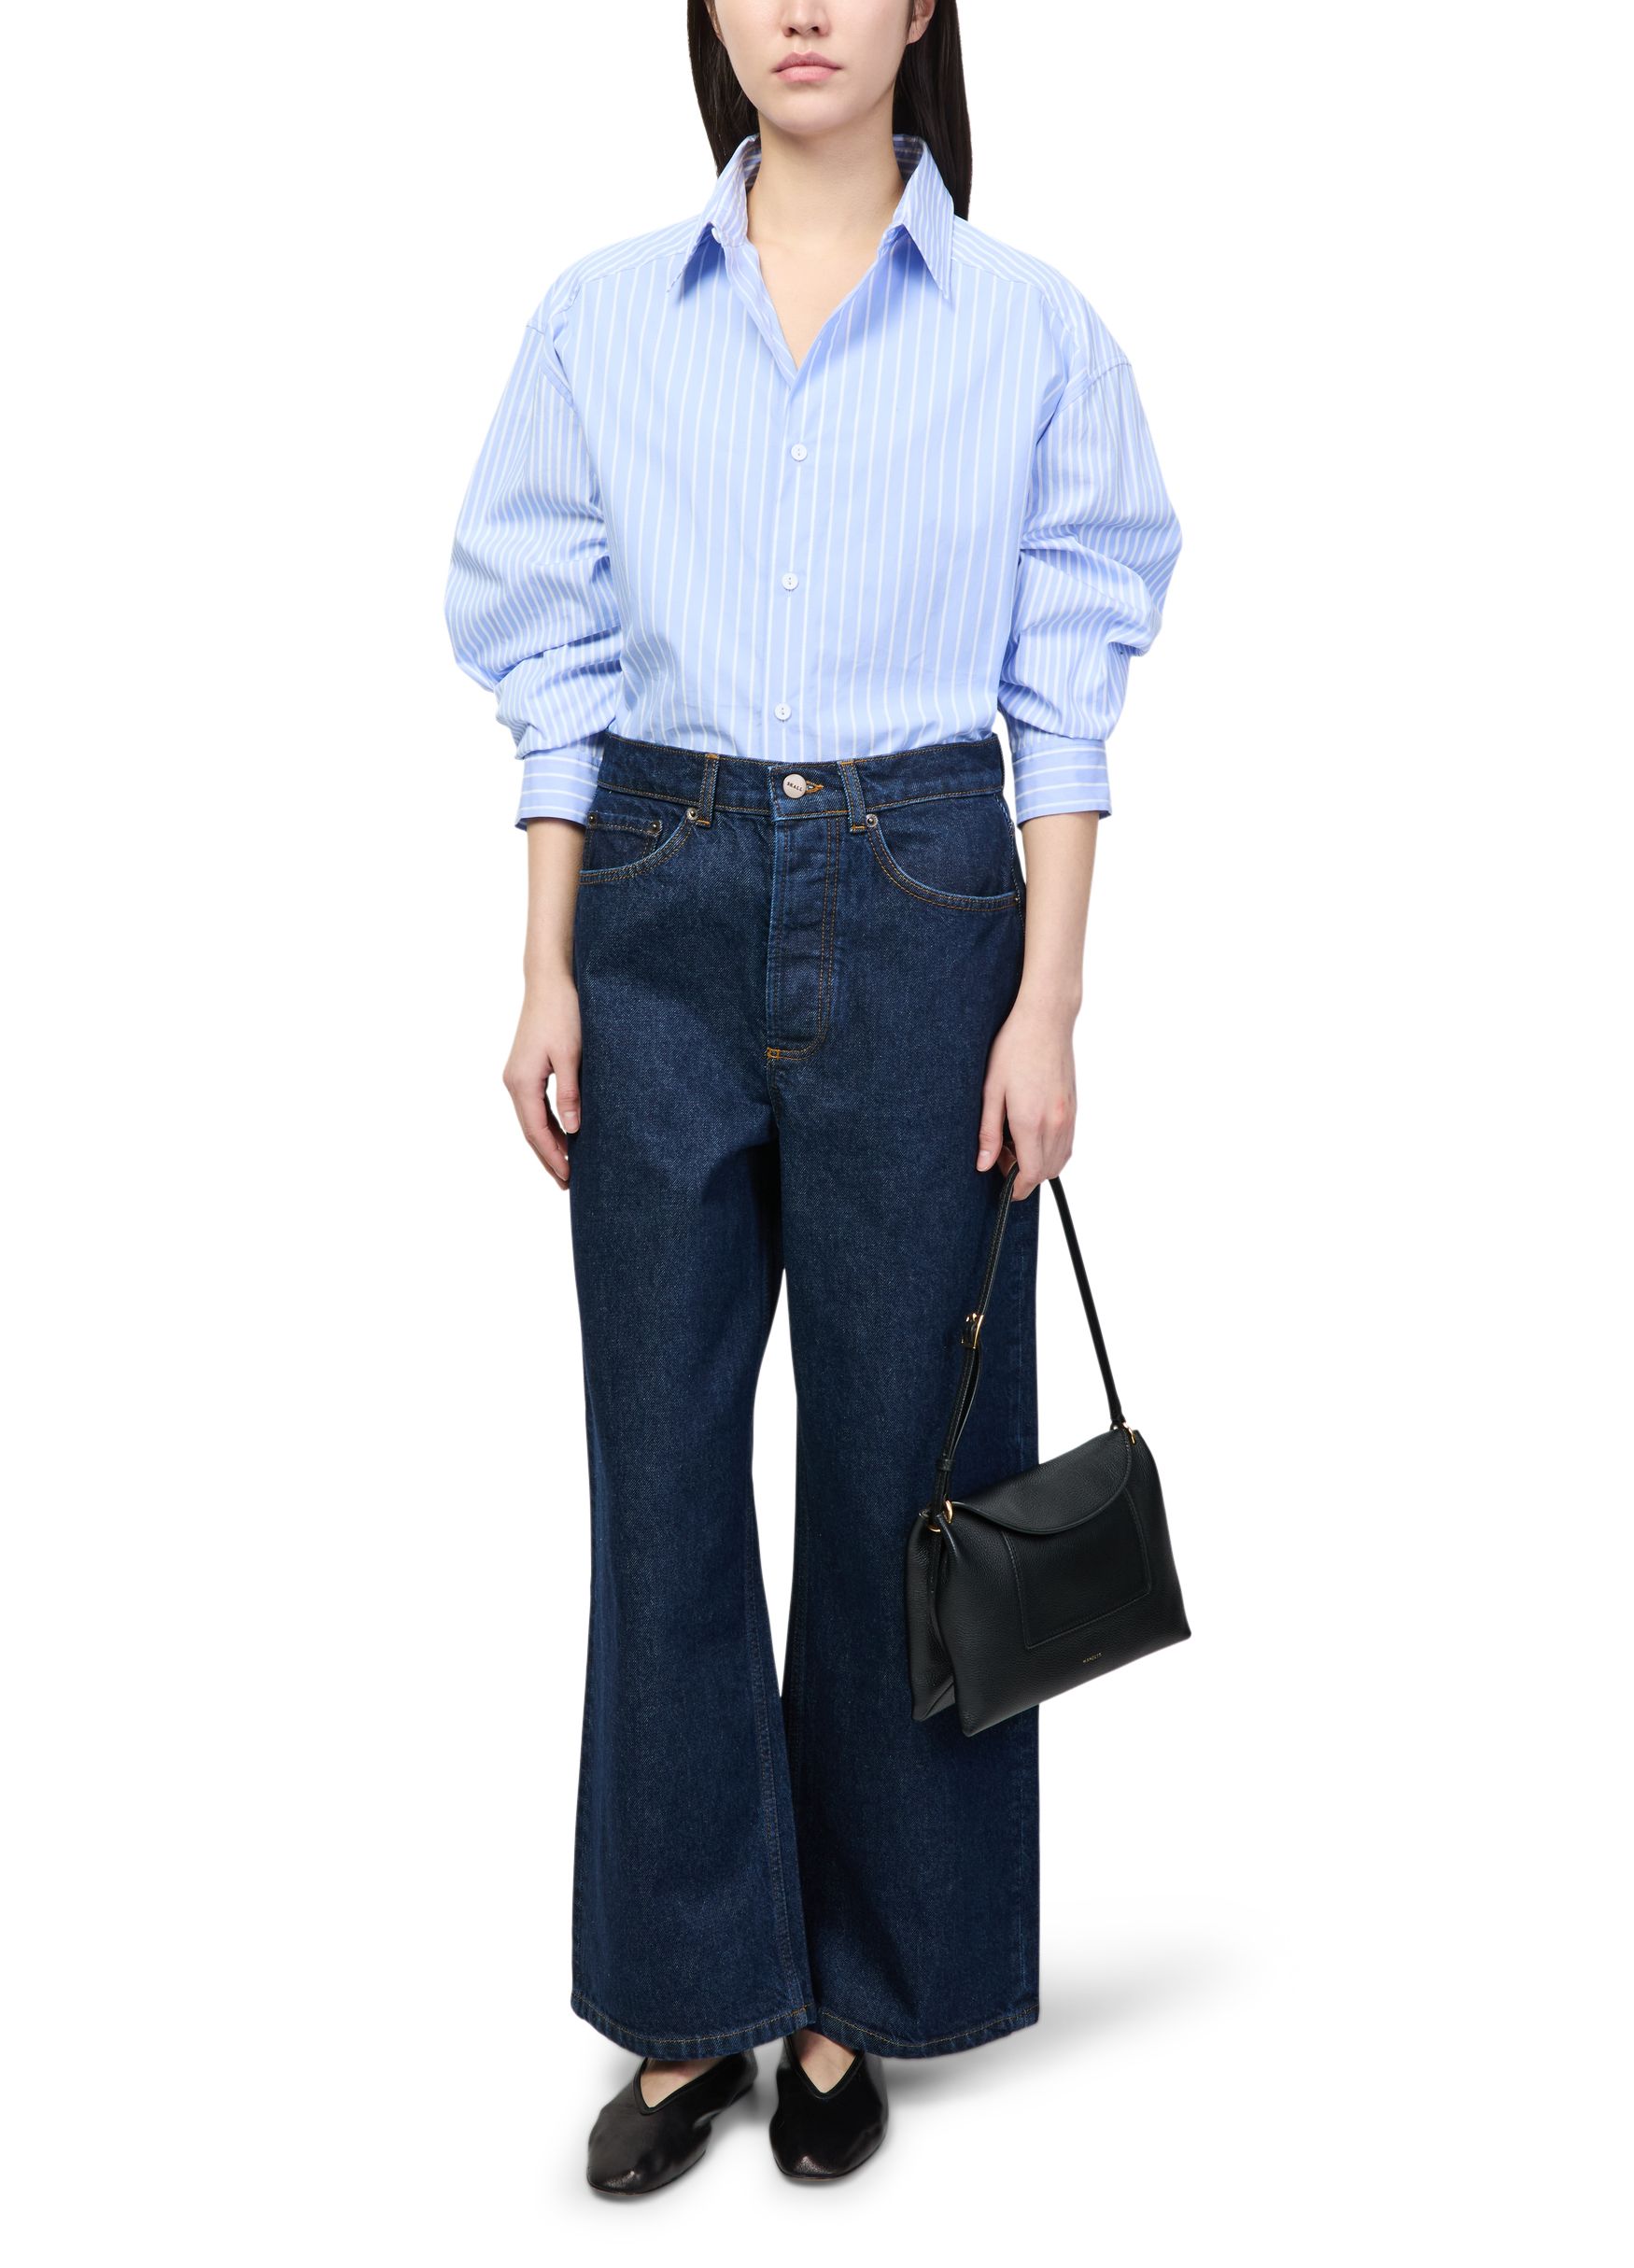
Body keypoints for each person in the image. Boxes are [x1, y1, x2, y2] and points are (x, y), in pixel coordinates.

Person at [443, 0, 1180, 2195]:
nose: (799, 10)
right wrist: (544, 965)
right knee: (660, 1465)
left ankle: (864, 1985)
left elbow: (1065, 685)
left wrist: (1046, 1004)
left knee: (906, 1472)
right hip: (654, 896)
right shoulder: (599, 320)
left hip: (925, 893)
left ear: (921, 7)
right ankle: (690, 2000)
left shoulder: (1029, 332)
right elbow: (555, 666)